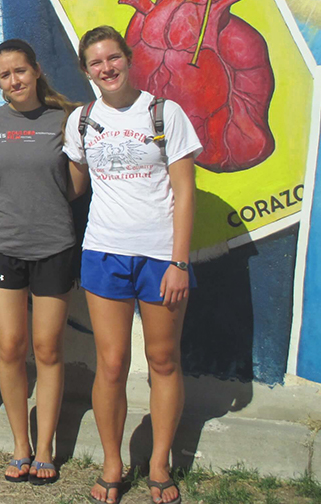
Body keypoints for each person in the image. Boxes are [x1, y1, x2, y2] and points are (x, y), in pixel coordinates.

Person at [63, 26, 200, 504]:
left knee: (163, 361)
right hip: (103, 252)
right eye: (96, 63)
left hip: (161, 256)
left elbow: (185, 192)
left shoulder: (165, 113)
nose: (107, 68)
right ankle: (112, 462)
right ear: (86, 71)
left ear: (128, 58)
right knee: (112, 363)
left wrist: (179, 261)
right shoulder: (81, 120)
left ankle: (160, 463)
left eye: (113, 58)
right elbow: (74, 186)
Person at [0, 39, 80, 485]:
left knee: (48, 349)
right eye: (5, 75)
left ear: (36, 71)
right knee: (10, 348)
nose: (14, 80)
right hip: (3, 246)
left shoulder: (66, 121)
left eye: (20, 71)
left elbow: (77, 187)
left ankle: (45, 448)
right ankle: (20, 444)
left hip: (55, 246)